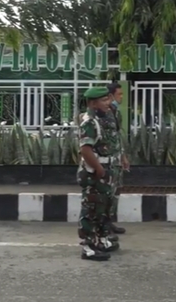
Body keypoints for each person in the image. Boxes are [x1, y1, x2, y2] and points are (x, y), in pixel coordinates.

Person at [77, 87, 119, 261]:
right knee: (91, 208)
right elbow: (85, 150)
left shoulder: (103, 119)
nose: (108, 104)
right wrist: (99, 169)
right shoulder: (89, 121)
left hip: (107, 169)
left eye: (108, 100)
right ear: (93, 103)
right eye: (103, 101)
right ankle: (88, 246)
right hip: (94, 171)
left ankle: (100, 240)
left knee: (104, 207)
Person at [104, 82, 129, 236]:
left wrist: (123, 156)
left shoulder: (116, 113)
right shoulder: (104, 113)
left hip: (116, 158)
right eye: (119, 94)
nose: (121, 97)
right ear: (111, 96)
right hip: (106, 160)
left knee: (115, 191)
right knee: (106, 192)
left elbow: (117, 136)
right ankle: (103, 223)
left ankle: (110, 221)